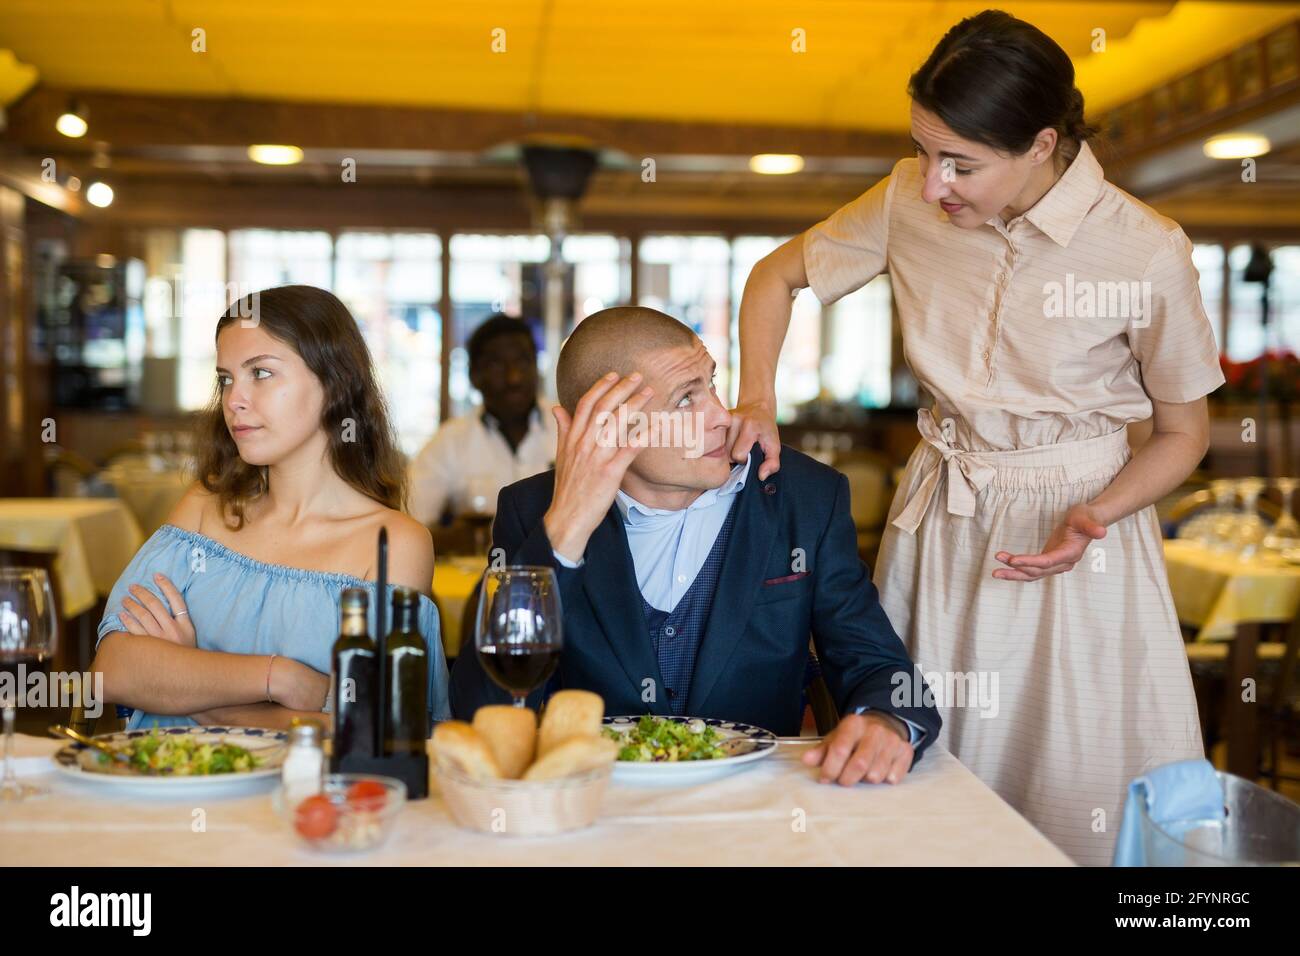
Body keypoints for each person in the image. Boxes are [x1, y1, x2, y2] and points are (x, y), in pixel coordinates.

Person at [731, 10, 1223, 862]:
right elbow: (776, 277)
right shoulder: (905, 203)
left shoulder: (1145, 251)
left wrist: (1099, 511)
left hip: (1078, 537)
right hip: (943, 520)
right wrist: (757, 397)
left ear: (1041, 144)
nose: (930, 184)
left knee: (1075, 771)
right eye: (924, 151)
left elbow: (1185, 432)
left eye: (960, 163)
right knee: (920, 755)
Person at [451, 307, 941, 786]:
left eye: (712, 385)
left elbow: (877, 664)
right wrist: (565, 528)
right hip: (597, 807)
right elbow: (482, 705)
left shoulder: (803, 497)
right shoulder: (532, 507)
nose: (722, 417)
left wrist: (886, 721)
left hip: (756, 806)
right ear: (606, 424)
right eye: (686, 400)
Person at [92, 285, 450, 732]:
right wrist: (283, 678)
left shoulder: (393, 542)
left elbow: (373, 728)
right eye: (226, 379)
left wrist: (201, 691)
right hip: (164, 788)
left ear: (334, 382)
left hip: (302, 798)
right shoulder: (205, 509)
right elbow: (114, 670)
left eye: (260, 373)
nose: (234, 400)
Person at [407, 314, 556, 532]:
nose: (514, 378)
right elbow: (411, 525)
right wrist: (461, 538)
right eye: (497, 365)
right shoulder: (450, 441)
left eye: (523, 361)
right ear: (474, 375)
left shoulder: (569, 427)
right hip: (478, 566)